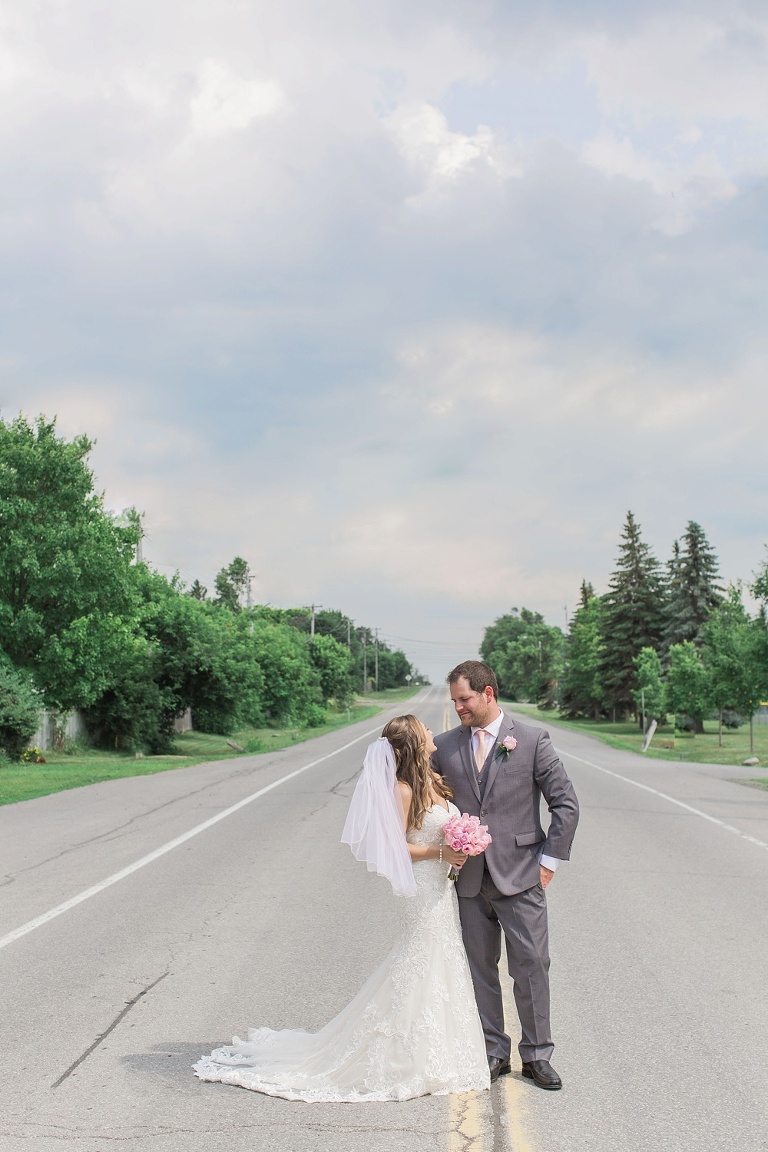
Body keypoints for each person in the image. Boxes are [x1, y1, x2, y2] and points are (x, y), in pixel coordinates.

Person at [193, 714, 490, 1101]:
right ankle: (403, 1053)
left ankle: (439, 1049)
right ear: (415, 743)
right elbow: (393, 846)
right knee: (422, 955)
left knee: (441, 956)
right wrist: (441, 852)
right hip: (422, 887)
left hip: (440, 886)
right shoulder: (402, 790)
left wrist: (459, 845)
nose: (433, 732)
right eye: (425, 729)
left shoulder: (431, 780)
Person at [432, 661, 579, 1091]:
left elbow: (565, 804)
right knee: (479, 967)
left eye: (464, 699)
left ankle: (537, 1055)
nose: (458, 708)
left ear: (488, 693)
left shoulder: (531, 740)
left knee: (532, 965)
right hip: (469, 880)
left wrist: (548, 862)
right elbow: (423, 794)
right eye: (454, 701)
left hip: (521, 875)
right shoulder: (444, 745)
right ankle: (493, 1050)